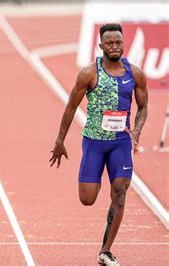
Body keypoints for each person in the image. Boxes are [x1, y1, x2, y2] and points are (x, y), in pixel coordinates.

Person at [49, 23, 148, 265]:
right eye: (110, 43)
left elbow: (143, 107)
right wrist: (60, 140)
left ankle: (105, 250)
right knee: (87, 198)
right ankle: (100, 176)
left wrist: (136, 130)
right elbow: (71, 106)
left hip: (121, 143)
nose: (115, 46)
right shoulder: (89, 73)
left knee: (121, 193)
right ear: (100, 45)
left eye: (119, 42)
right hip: (94, 142)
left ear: (123, 44)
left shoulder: (135, 74)